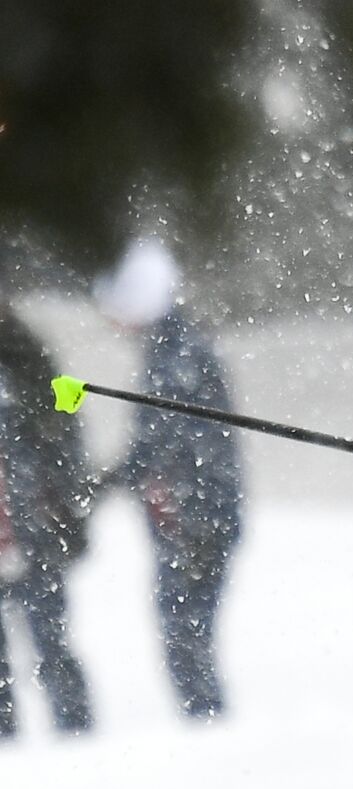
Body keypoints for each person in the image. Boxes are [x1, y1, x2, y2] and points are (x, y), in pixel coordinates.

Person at [93, 240, 243, 720]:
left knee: (183, 631)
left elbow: (165, 437)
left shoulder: (174, 353)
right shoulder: (174, 347)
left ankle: (208, 726)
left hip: (194, 518)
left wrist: (111, 480)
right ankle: (206, 722)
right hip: (197, 513)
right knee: (186, 630)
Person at [0, 304, 96, 736]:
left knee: (52, 644)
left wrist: (72, 513)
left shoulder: (26, 359)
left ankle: (78, 740)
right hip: (26, 526)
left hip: (33, 531)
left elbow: (66, 438)